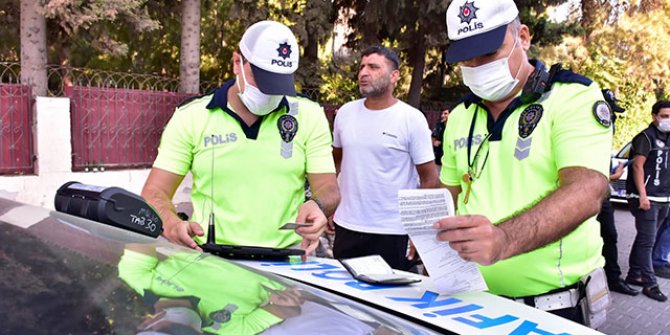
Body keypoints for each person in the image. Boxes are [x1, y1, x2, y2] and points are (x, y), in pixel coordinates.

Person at [435, 0, 612, 324]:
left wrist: (504, 240)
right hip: (469, 302)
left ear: (524, 37)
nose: (477, 65)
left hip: (552, 309)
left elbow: (587, 191)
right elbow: (450, 193)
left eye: (489, 53)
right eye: (466, 58)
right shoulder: (461, 115)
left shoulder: (572, 97)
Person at [141, 20, 339, 257]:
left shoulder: (308, 114)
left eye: (278, 82)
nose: (269, 93)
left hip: (288, 261)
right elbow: (154, 193)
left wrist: (317, 206)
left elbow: (329, 188)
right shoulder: (191, 117)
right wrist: (172, 224)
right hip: (213, 259)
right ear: (237, 63)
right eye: (262, 80)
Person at [331, 45, 439, 271]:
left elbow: (429, 179)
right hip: (347, 227)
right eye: (361, 67)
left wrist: (421, 232)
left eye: (373, 67)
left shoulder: (411, 119)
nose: (363, 73)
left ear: (394, 76)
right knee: (344, 301)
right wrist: (331, 205)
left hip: (392, 232)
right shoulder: (345, 114)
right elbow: (336, 162)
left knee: (387, 302)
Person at [624, 100, 670, 302]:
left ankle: (634, 274)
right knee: (647, 242)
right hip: (645, 198)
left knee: (644, 238)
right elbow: (637, 167)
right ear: (654, 116)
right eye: (665, 116)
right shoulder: (645, 137)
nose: (668, 120)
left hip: (663, 198)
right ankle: (650, 284)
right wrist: (642, 195)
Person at [597, 89, 639, 296]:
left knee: (609, 236)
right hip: (582, 194)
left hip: (602, 192)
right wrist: (611, 177)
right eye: (610, 112)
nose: (612, 117)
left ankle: (613, 279)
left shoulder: (606, 126)